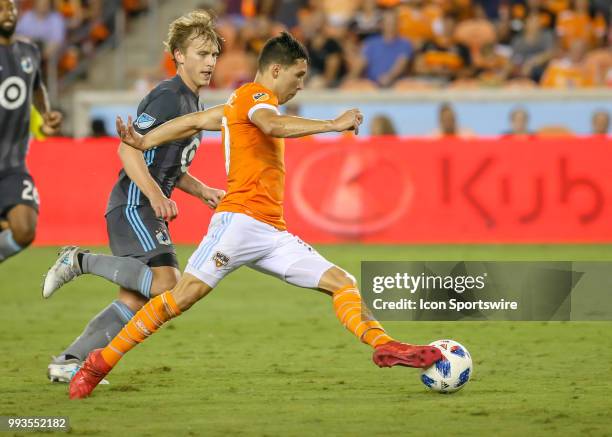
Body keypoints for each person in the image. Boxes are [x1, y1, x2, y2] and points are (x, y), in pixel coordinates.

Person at [68, 31, 442, 399]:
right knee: (177, 299)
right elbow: (271, 125)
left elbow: (197, 121)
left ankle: (386, 345)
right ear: (276, 70)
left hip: (270, 232)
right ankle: (96, 364)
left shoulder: (238, 103)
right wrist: (332, 124)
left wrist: (146, 139)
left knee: (341, 281)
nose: (300, 85)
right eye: (298, 76)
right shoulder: (256, 97)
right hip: (238, 223)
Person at [42, 10, 225, 383]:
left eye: (213, 54)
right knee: (167, 285)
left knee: (135, 299)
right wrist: (157, 194)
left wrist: (202, 189)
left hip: (145, 203)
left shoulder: (193, 103)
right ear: (178, 55)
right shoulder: (168, 96)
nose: (209, 62)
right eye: (201, 53)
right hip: (133, 204)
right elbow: (129, 151)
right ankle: (79, 261)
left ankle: (69, 359)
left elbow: (169, 165)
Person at [0, 0, 62, 264]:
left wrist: (46, 114)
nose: (8, 12)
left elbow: (36, 87)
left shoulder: (29, 51)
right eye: (1, 8)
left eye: (12, 7)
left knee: (25, 229)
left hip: (12, 165)